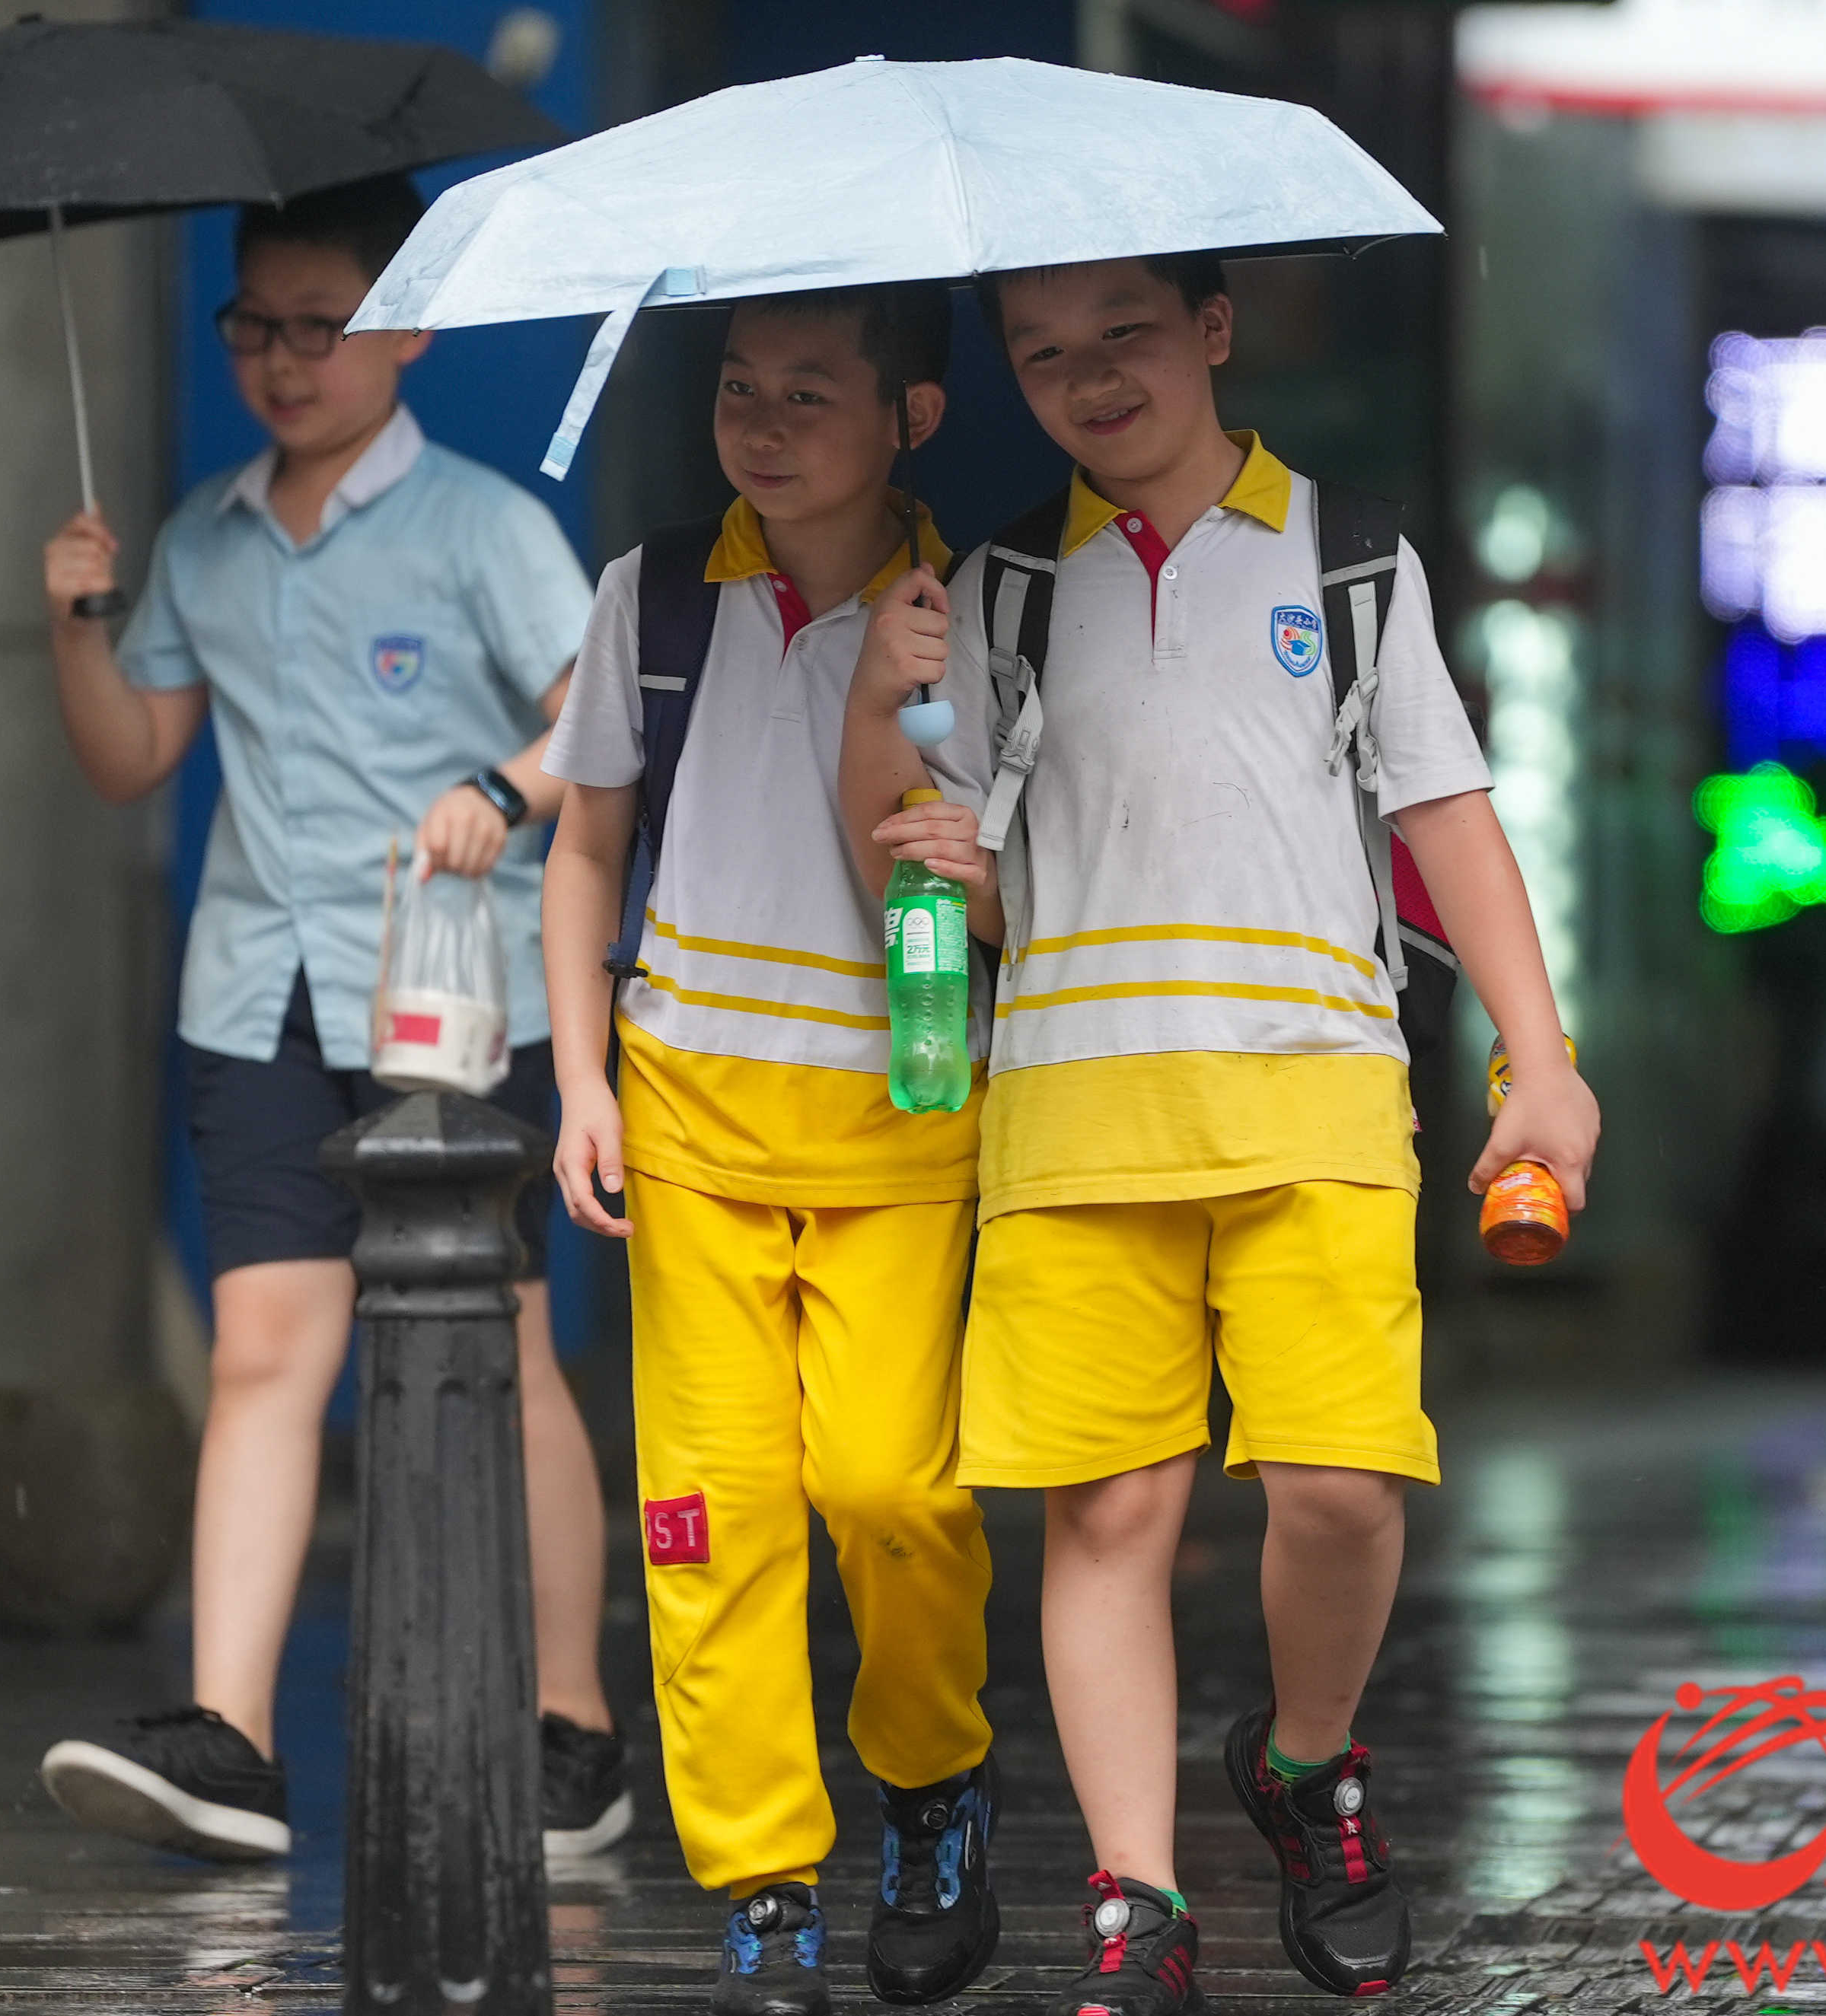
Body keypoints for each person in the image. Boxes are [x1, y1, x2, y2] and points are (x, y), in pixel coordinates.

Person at [843, 253, 1602, 2016]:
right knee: (1110, 1520)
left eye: (1126, 337)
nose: (1090, 379)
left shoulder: (1348, 560)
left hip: (1318, 1093)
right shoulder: (994, 590)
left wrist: (1540, 1060)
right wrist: (921, 827)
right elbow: (915, 870)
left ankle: (1308, 1763)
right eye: (1044, 355)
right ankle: (1140, 1903)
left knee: (1338, 1488)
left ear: (1213, 331)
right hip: (1074, 1117)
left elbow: (1452, 820)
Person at [29, 176, 628, 1865]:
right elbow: (129, 755)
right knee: (264, 1354)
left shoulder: (480, 528)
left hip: (451, 986)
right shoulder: (208, 534)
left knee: (500, 1351)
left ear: (407, 330)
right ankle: (227, 1734)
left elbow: (601, 712)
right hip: (258, 997)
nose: (285, 364)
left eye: (324, 328)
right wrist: (76, 619)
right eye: (256, 329)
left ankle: (572, 1724)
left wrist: (499, 794)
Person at [542, 283, 1001, 2016]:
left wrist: (901, 706)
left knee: (893, 1493)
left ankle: (933, 1777)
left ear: (913, 419)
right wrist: (583, 1080)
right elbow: (587, 854)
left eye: (813, 391)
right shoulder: (654, 598)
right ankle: (762, 1885)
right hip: (689, 1123)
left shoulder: (977, 621)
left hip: (902, 1129)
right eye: (743, 387)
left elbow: (959, 916)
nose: (765, 422)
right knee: (705, 1519)